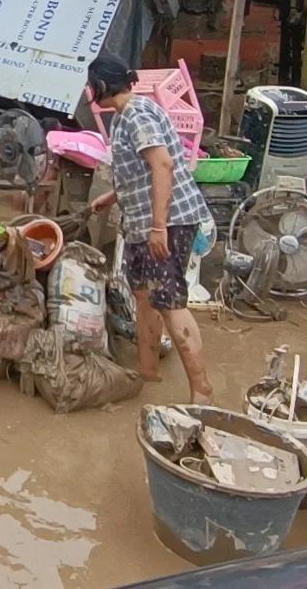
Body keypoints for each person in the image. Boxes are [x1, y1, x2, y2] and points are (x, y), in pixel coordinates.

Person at [86, 57, 215, 400]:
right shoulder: (127, 115)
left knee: (170, 301)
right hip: (144, 221)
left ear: (100, 87)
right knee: (144, 295)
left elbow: (163, 164)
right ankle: (148, 371)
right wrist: (113, 196)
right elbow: (142, 169)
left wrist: (160, 228)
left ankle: (201, 391)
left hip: (167, 221)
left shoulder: (137, 115)